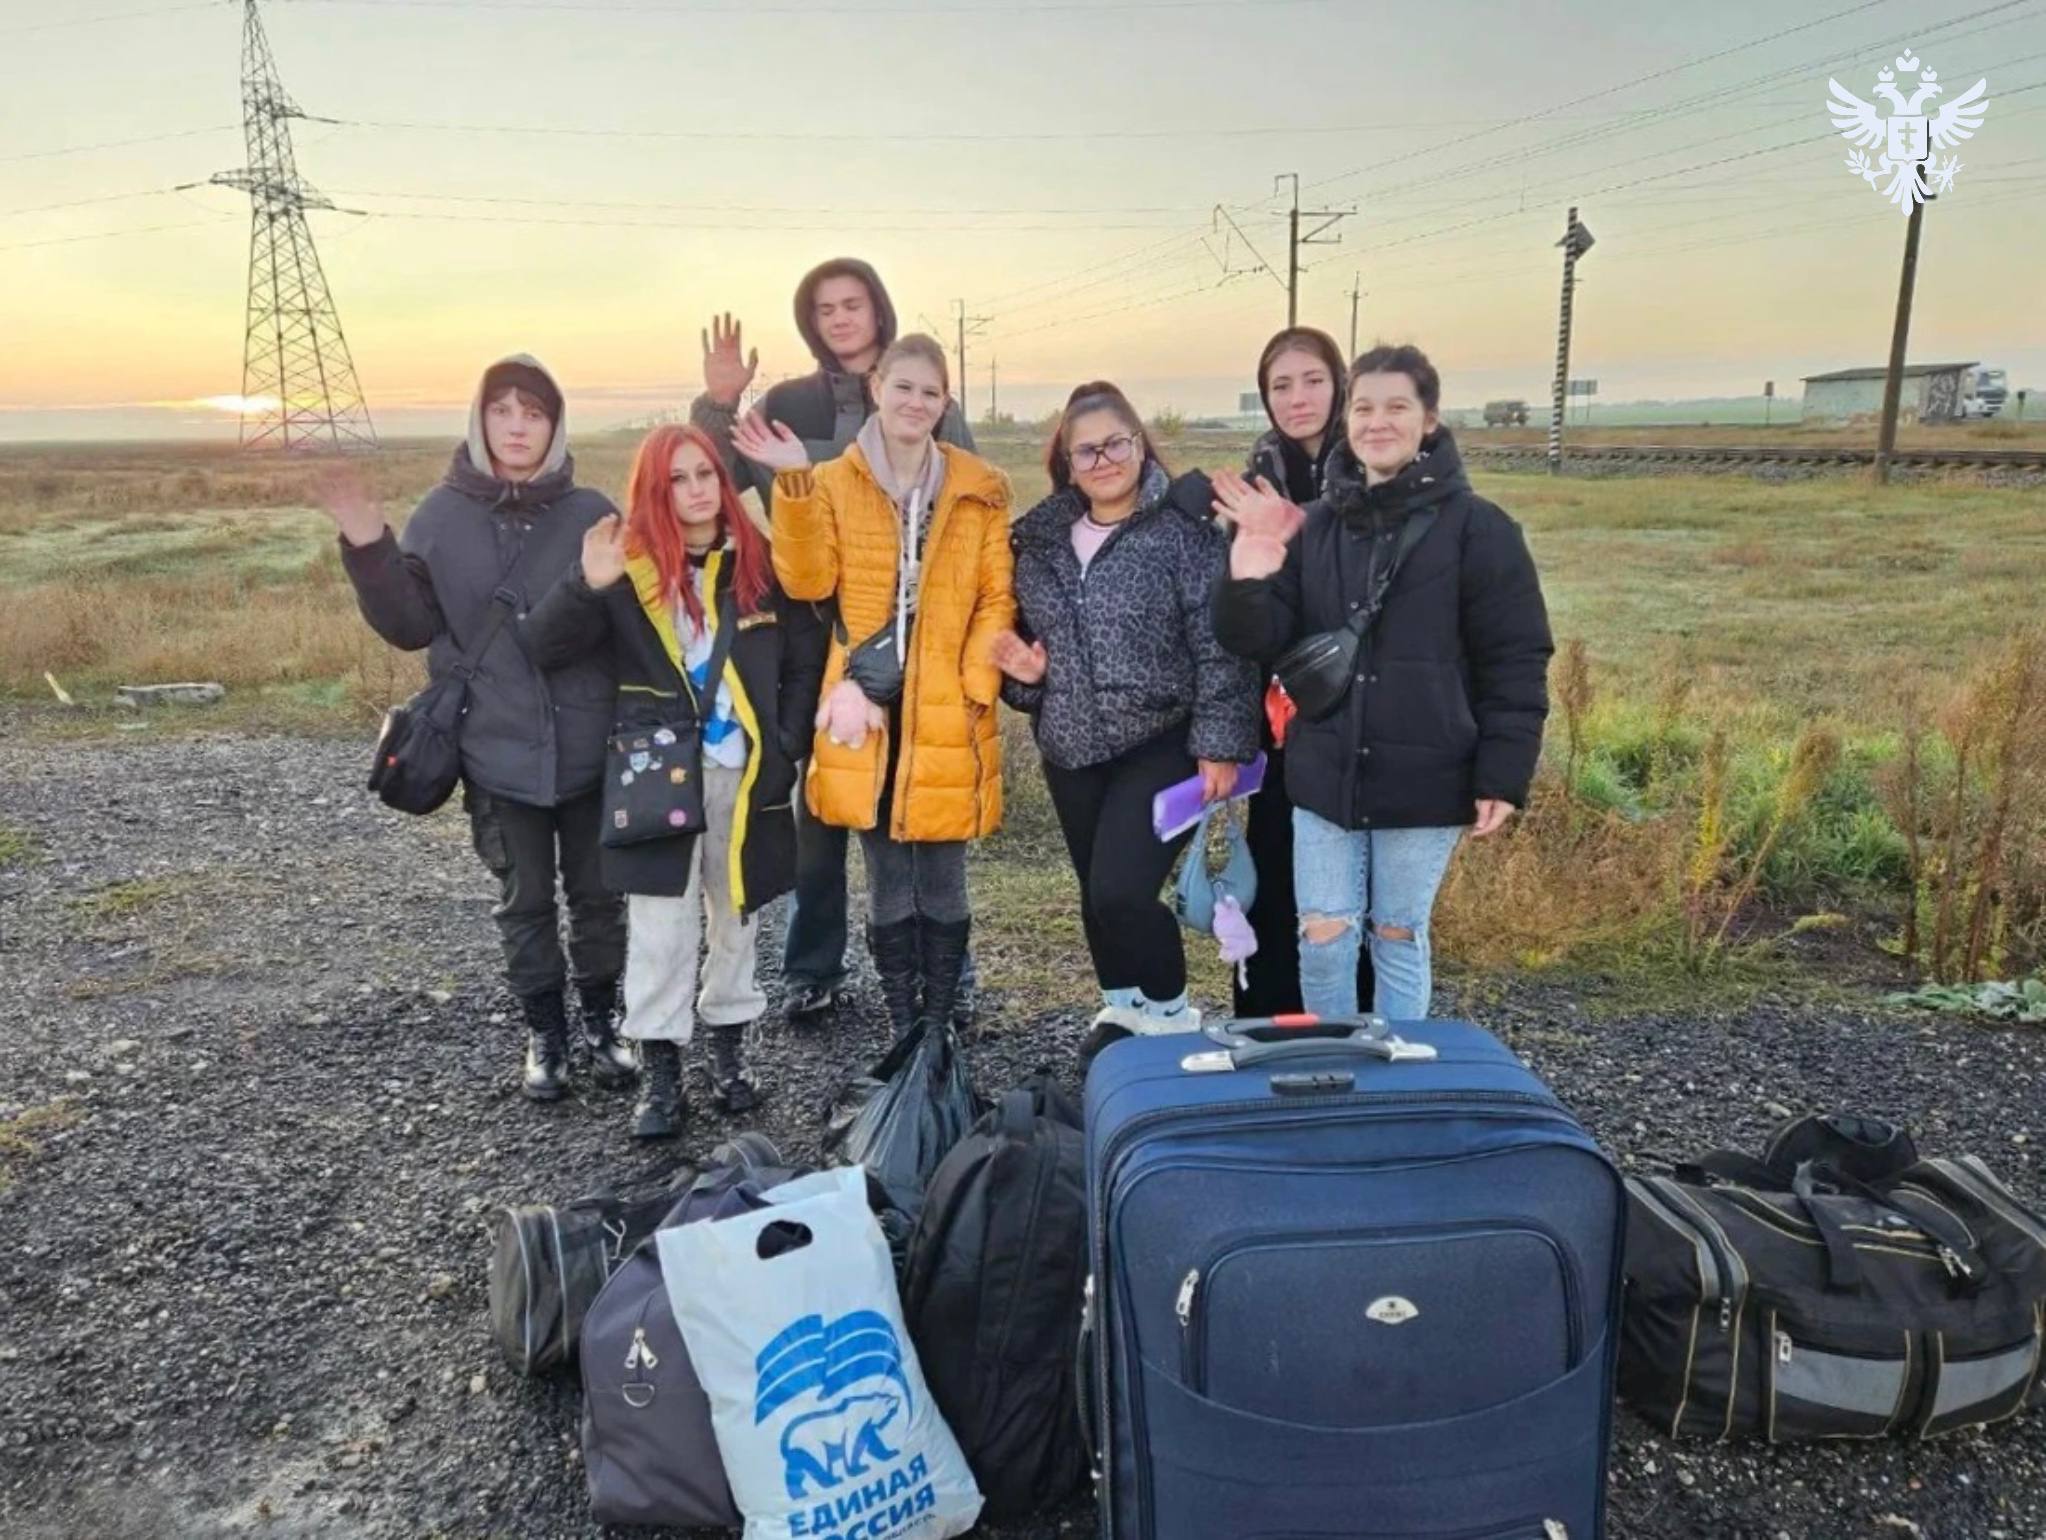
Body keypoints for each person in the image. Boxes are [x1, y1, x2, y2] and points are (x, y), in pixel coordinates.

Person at [320, 355, 632, 1101]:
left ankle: (602, 1022)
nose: (518, 427)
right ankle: (546, 1034)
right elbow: (409, 626)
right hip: (495, 750)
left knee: (599, 898)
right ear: (480, 420)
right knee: (525, 901)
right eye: (502, 411)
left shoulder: (591, 512)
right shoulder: (440, 515)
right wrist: (367, 544)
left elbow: (625, 623)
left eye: (534, 413)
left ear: (556, 426)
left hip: (589, 749)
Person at [1212, 342, 1553, 1020]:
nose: (1378, 422)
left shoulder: (1480, 530)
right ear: (1348, 421)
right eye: (1364, 408)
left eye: (1397, 406)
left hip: (1428, 773)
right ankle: (1338, 1068)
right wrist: (1247, 575)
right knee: (1323, 936)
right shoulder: (1318, 528)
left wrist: (1502, 772)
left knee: (1397, 936)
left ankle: (1398, 1069)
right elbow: (1261, 639)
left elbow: (1515, 658)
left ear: (1429, 419)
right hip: (1324, 771)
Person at [690, 260, 978, 1028]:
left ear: (879, 310)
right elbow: (715, 469)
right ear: (810, 322)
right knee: (819, 808)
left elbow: (969, 503)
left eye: (853, 304)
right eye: (824, 309)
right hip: (811, 630)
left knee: (921, 800)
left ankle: (951, 974)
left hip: (910, 638)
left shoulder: (925, 397)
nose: (840, 318)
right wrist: (719, 403)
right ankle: (813, 967)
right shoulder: (787, 403)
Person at [521, 425, 823, 1138]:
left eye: (705, 474)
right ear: (655, 492)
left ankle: (728, 1057)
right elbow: (543, 645)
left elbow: (806, 654)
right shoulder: (629, 570)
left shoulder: (758, 563)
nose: (695, 491)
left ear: (722, 479)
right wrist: (585, 584)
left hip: (743, 776)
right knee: (659, 926)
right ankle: (661, 1075)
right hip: (655, 777)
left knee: (737, 916)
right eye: (677, 479)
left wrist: (786, 742)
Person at [733, 333, 1014, 1045]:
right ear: (877, 390)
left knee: (944, 874)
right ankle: (903, 1028)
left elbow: (995, 597)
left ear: (945, 402)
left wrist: (974, 683)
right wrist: (794, 485)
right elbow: (808, 581)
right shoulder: (833, 480)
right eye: (903, 387)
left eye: (930, 392)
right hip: (865, 701)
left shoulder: (979, 486)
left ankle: (942, 1021)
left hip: (946, 705)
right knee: (887, 873)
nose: (915, 402)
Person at [994, 382, 1259, 1052]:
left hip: (1161, 740)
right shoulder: (1038, 546)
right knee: (1095, 894)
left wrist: (1220, 743)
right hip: (1071, 748)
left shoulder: (1184, 534)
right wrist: (1027, 681)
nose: (1104, 460)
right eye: (1086, 451)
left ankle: (1170, 1016)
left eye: (1116, 443)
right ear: (1067, 463)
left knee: (1122, 891)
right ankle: (1123, 1009)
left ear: (1140, 445)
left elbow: (1221, 645)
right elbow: (1025, 653)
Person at [1232, 327, 1374, 1018]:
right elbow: (1239, 600)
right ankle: (1270, 1020)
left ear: (1339, 384)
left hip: (1366, 706)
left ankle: (1356, 1021)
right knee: (1277, 860)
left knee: (1358, 878)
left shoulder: (1379, 470)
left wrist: (1301, 529)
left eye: (1313, 380)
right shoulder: (1256, 479)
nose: (1298, 398)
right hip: (1282, 708)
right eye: (1280, 386)